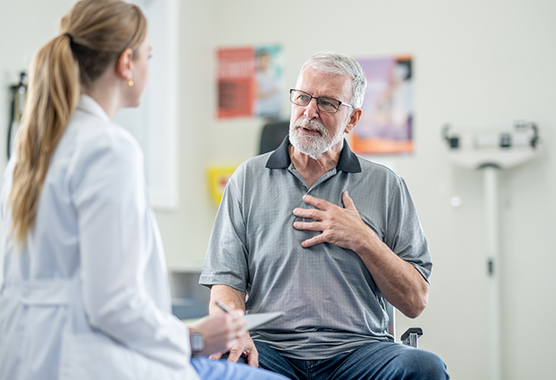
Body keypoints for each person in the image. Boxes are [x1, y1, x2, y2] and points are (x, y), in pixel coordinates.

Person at [0, 1, 287, 380]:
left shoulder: (31, 148)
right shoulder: (108, 148)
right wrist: (194, 337)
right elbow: (112, 304)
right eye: (148, 56)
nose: (150, 68)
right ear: (126, 64)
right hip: (88, 361)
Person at [200, 51, 450, 379]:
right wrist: (235, 332)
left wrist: (364, 240)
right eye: (303, 97)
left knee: (425, 367)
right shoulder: (247, 178)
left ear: (353, 119)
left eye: (328, 103)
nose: (309, 111)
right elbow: (226, 282)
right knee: (215, 368)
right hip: (270, 350)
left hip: (359, 351)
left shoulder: (386, 185)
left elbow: (415, 300)